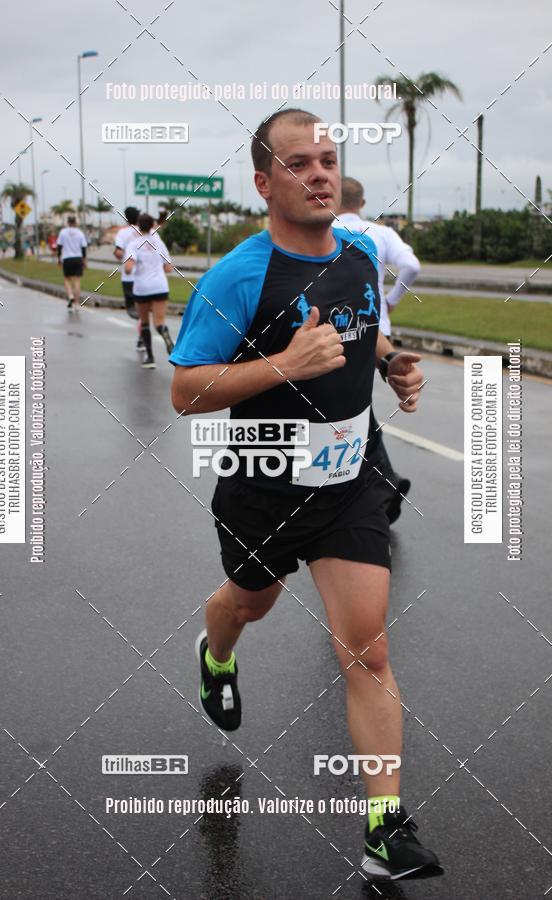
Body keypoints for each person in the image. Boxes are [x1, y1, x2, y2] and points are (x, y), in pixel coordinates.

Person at [170, 108, 441, 882]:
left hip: (350, 481)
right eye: (299, 163)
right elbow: (186, 391)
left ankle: (384, 832)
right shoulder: (237, 276)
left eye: (327, 159)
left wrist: (392, 363)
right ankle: (214, 654)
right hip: (264, 487)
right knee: (248, 604)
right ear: (264, 182)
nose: (319, 173)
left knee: (368, 645)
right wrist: (285, 365)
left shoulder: (356, 251)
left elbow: (364, 328)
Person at [338, 178, 421, 524]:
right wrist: (390, 301)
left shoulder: (324, 230)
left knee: (351, 405)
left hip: (345, 326)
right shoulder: (381, 233)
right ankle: (380, 482)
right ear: (362, 201)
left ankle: (378, 484)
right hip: (378, 325)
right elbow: (412, 267)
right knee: (357, 404)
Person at [124, 213, 174, 369]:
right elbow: (169, 268)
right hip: (160, 286)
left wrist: (130, 271)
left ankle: (150, 357)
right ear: (152, 225)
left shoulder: (133, 244)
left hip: (142, 288)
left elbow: (128, 268)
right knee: (159, 322)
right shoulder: (159, 243)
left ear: (139, 226)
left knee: (144, 322)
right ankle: (168, 341)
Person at [113, 206, 143, 349]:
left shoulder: (122, 233)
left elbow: (119, 253)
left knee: (132, 309)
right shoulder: (145, 232)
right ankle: (143, 329)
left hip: (129, 277)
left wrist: (121, 255)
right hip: (144, 276)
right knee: (143, 307)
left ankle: (142, 328)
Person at [56, 216, 87, 309]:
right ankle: (77, 303)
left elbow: (59, 246)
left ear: (68, 222)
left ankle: (70, 295)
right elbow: (84, 248)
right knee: (77, 280)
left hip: (67, 258)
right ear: (76, 223)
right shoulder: (80, 233)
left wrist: (59, 258)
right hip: (78, 258)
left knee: (67, 279)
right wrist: (84, 260)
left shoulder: (63, 232)